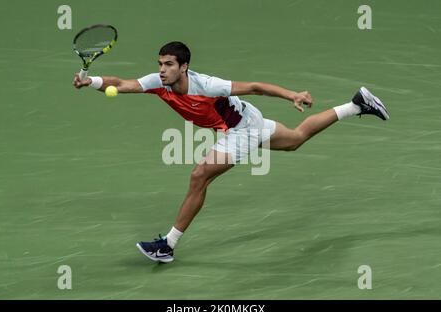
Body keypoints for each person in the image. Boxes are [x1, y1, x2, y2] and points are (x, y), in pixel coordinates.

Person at [73, 41, 389, 263]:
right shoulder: (158, 82)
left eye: (169, 65)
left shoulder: (207, 85)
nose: (163, 70)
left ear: (184, 67)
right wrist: (92, 81)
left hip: (239, 130)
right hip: (246, 120)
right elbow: (123, 84)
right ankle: (356, 104)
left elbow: (253, 86)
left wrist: (290, 93)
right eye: (160, 64)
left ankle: (167, 246)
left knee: (199, 176)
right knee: (295, 139)